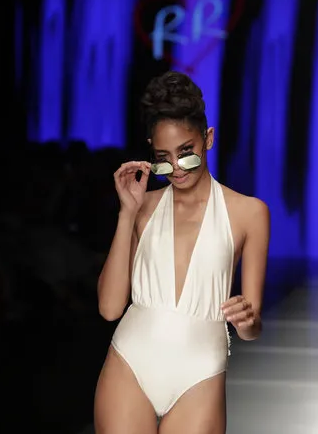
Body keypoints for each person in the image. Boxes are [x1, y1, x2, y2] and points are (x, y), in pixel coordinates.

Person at [94, 71, 270, 434]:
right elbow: (110, 308)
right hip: (130, 362)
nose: (175, 168)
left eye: (186, 154)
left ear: (208, 138)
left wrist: (247, 320)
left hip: (200, 373)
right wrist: (126, 213)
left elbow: (252, 329)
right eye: (163, 158)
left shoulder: (249, 212)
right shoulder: (142, 208)